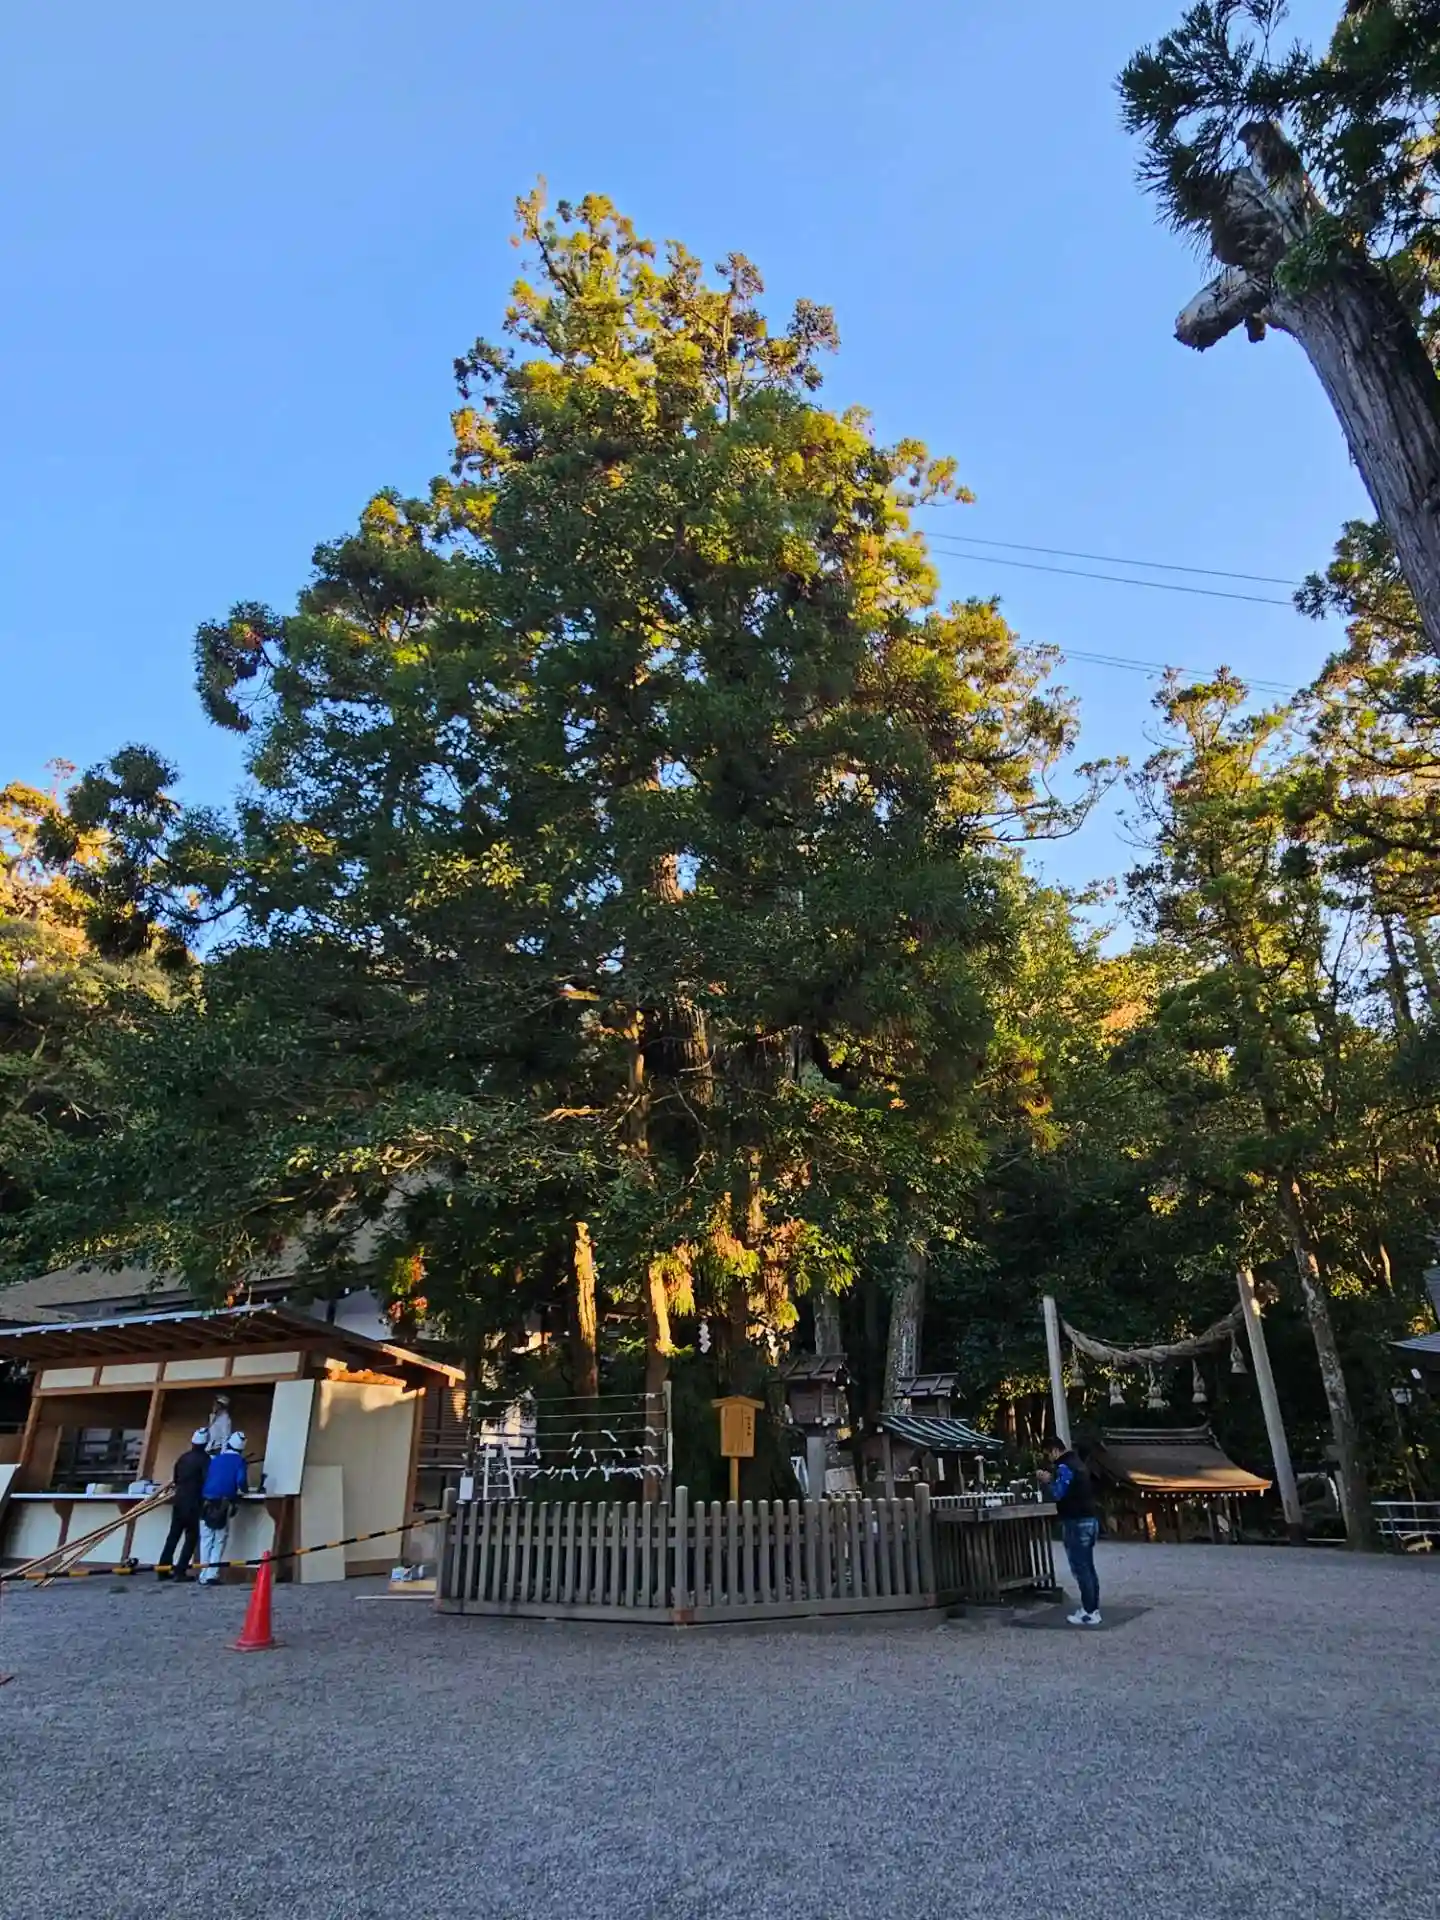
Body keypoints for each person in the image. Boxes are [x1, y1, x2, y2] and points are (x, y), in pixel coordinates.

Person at [1041, 1434, 1102, 1627]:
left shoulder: (1064, 1466)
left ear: (1054, 1450)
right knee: (1088, 1567)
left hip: (1076, 1521)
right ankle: (1093, 1608)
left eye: (1048, 1454)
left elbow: (1058, 1493)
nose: (1049, 1459)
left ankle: (1089, 1612)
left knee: (1080, 1568)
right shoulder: (1078, 1463)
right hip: (1090, 1519)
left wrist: (1046, 1481)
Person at [156, 1429, 211, 1581]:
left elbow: (175, 1478)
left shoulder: (183, 1458)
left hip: (179, 1500)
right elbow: (207, 1480)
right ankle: (180, 1571)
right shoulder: (205, 1460)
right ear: (206, 1444)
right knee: (191, 1537)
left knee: (173, 1536)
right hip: (194, 1502)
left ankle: (162, 1569)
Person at [197, 1431, 248, 1586]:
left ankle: (202, 1574)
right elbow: (241, 1481)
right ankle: (212, 1574)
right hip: (223, 1503)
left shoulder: (216, 1459)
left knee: (206, 1539)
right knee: (219, 1539)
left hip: (206, 1501)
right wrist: (244, 1490)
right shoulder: (239, 1461)